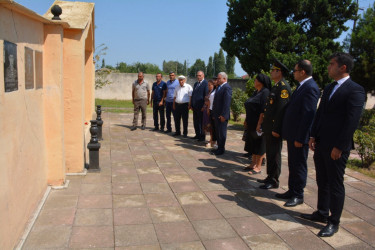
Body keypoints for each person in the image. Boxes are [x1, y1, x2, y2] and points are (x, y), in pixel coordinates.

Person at [301, 52, 365, 237]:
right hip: (321, 143)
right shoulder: (329, 88)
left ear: (342, 67)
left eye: (331, 64)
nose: (328, 67)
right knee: (322, 180)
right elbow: (320, 113)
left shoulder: (355, 90)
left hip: (337, 146)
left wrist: (340, 146)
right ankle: (321, 212)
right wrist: (313, 135)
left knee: (335, 183)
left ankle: (333, 221)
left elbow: (351, 121)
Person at [278, 60, 320, 207]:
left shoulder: (311, 88)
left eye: (295, 71)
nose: (293, 73)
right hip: (293, 134)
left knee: (299, 165)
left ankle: (298, 194)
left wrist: (302, 138)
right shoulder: (302, 86)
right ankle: (292, 190)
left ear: (302, 72)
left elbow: (308, 115)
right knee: (292, 164)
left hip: (299, 136)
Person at [258, 59, 291, 189]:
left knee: (275, 154)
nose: (271, 72)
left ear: (279, 72)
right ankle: (269, 176)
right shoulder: (276, 86)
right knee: (270, 153)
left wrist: (277, 128)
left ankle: (274, 180)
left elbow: (281, 111)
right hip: (269, 127)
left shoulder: (283, 87)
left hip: (274, 128)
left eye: (273, 70)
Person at [243, 74, 271, 174]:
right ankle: (253, 163)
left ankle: (258, 166)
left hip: (258, 123)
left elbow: (263, 110)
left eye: (256, 80)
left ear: (261, 81)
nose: (254, 81)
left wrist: (259, 124)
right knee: (253, 144)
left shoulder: (265, 92)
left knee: (259, 144)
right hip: (251, 122)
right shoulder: (256, 92)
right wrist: (246, 119)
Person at [211, 72, 232, 155]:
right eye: (217, 78)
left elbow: (227, 103)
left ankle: (221, 149)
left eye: (219, 78)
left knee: (222, 132)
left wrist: (224, 115)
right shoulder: (219, 87)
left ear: (224, 79)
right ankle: (219, 147)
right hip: (216, 114)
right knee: (218, 132)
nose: (217, 80)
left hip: (222, 115)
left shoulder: (227, 88)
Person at [191, 71, 208, 141]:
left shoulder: (205, 83)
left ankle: (202, 136)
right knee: (196, 121)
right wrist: (192, 104)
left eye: (200, 75)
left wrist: (204, 106)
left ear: (203, 75)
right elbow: (193, 94)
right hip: (195, 106)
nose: (198, 77)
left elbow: (206, 96)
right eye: (197, 75)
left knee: (201, 122)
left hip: (201, 107)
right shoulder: (196, 84)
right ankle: (197, 134)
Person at [202, 80, 215, 147]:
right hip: (205, 110)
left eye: (210, 85)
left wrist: (208, 107)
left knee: (211, 126)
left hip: (209, 110)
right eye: (208, 85)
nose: (208, 86)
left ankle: (211, 140)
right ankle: (210, 139)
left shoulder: (214, 92)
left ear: (213, 85)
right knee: (206, 126)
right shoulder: (208, 92)